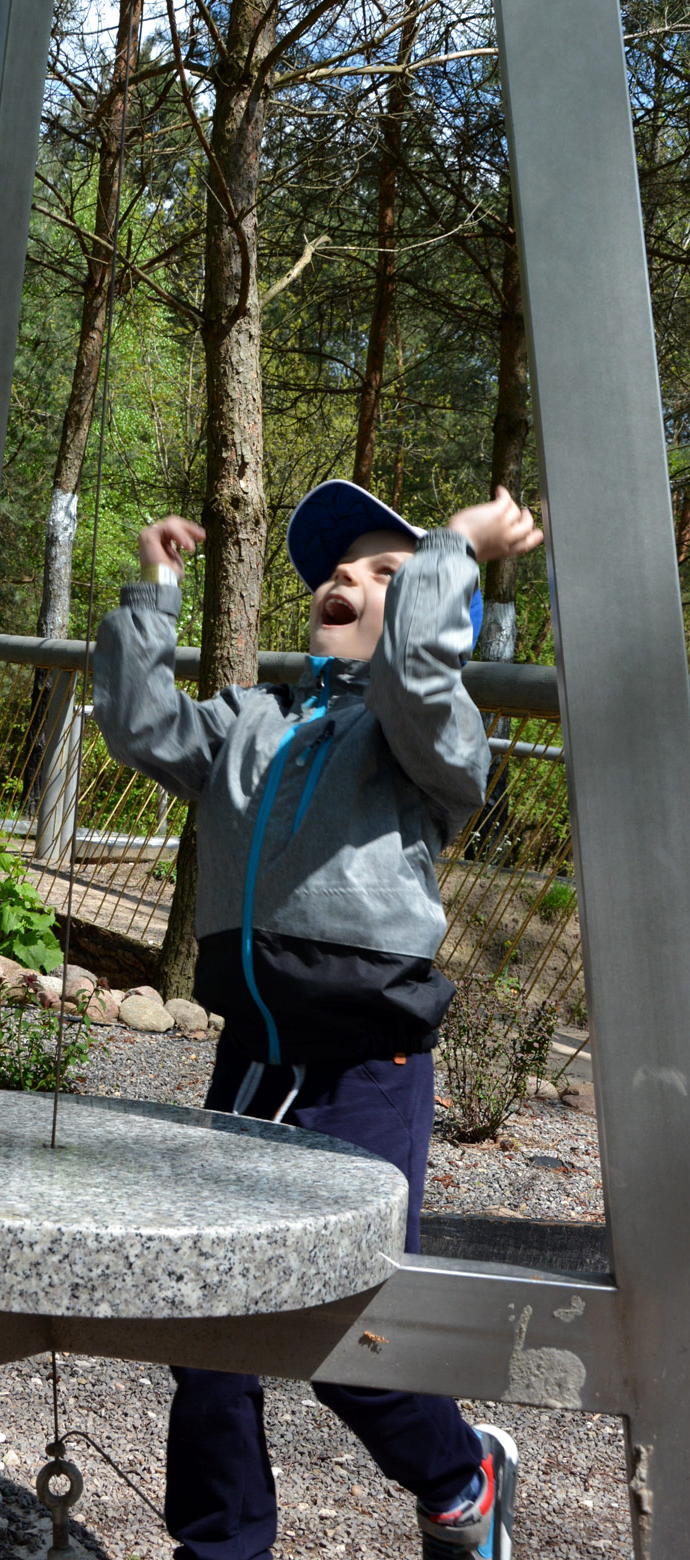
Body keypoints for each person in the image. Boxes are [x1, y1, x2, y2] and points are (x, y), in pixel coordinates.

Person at [93, 480, 543, 1560]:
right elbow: (141, 725)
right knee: (205, 1327)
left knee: (356, 1332)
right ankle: (221, 1548)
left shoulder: (427, 737)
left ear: (437, 607)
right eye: (343, 565)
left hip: (366, 1067)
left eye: (388, 572)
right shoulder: (254, 721)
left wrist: (453, 549)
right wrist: (152, 590)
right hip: (253, 1057)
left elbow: (419, 672)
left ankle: (461, 1475)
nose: (348, 575)